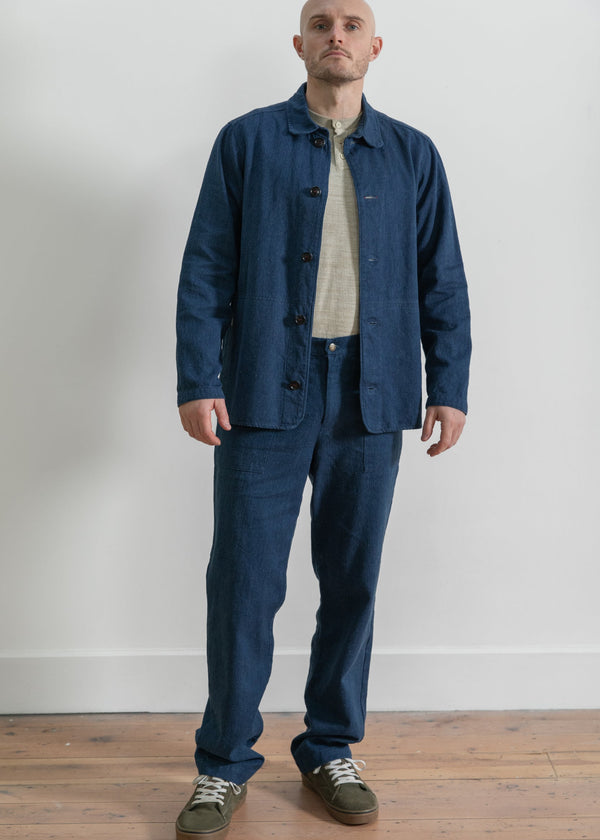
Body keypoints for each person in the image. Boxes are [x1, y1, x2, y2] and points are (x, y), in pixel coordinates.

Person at [175, 0, 471, 835]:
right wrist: (197, 378)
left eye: (350, 23)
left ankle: (330, 745)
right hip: (265, 388)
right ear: (299, 43)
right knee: (243, 584)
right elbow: (205, 267)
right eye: (319, 22)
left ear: (375, 46)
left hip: (373, 395)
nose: (334, 34)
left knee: (352, 581)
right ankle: (223, 763)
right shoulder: (247, 141)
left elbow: (441, 279)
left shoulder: (412, 154)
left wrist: (448, 386)